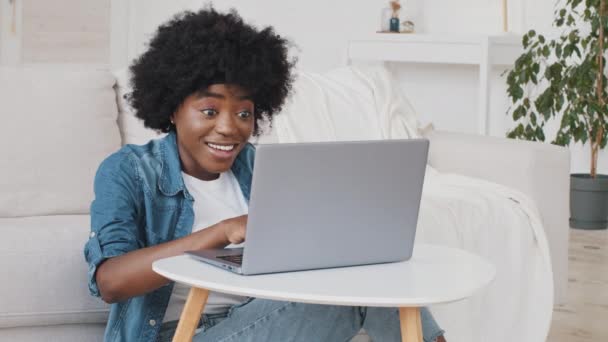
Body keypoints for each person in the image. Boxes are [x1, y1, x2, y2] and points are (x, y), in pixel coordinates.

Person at [84, 7, 446, 342]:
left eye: (244, 114)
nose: (229, 128)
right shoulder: (128, 170)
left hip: (259, 317)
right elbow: (111, 281)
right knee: (360, 299)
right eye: (209, 111)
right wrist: (221, 233)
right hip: (178, 333)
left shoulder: (259, 168)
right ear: (172, 108)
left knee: (374, 281)